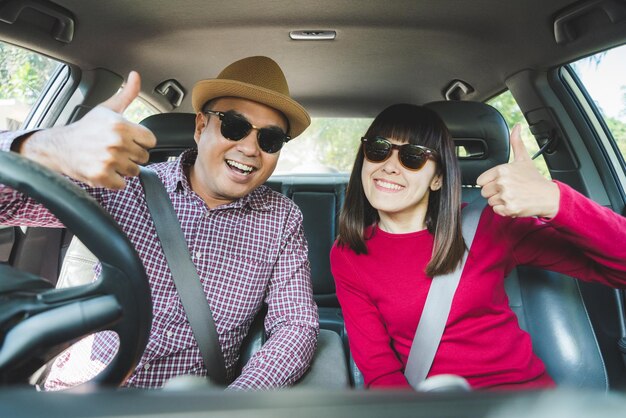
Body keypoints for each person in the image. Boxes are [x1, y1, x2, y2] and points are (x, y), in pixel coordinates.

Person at [0, 56, 319, 389]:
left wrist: (233, 403)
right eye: (234, 126)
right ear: (200, 127)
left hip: (185, 405)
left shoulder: (281, 219)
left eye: (270, 140)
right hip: (84, 390)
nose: (251, 149)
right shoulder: (123, 182)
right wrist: (46, 148)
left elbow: (295, 325)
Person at [330, 103, 626, 390]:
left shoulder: (491, 225)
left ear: (437, 179)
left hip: (522, 404)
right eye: (378, 149)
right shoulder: (348, 254)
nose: (390, 166)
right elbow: (380, 369)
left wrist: (555, 200)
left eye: (413, 156)